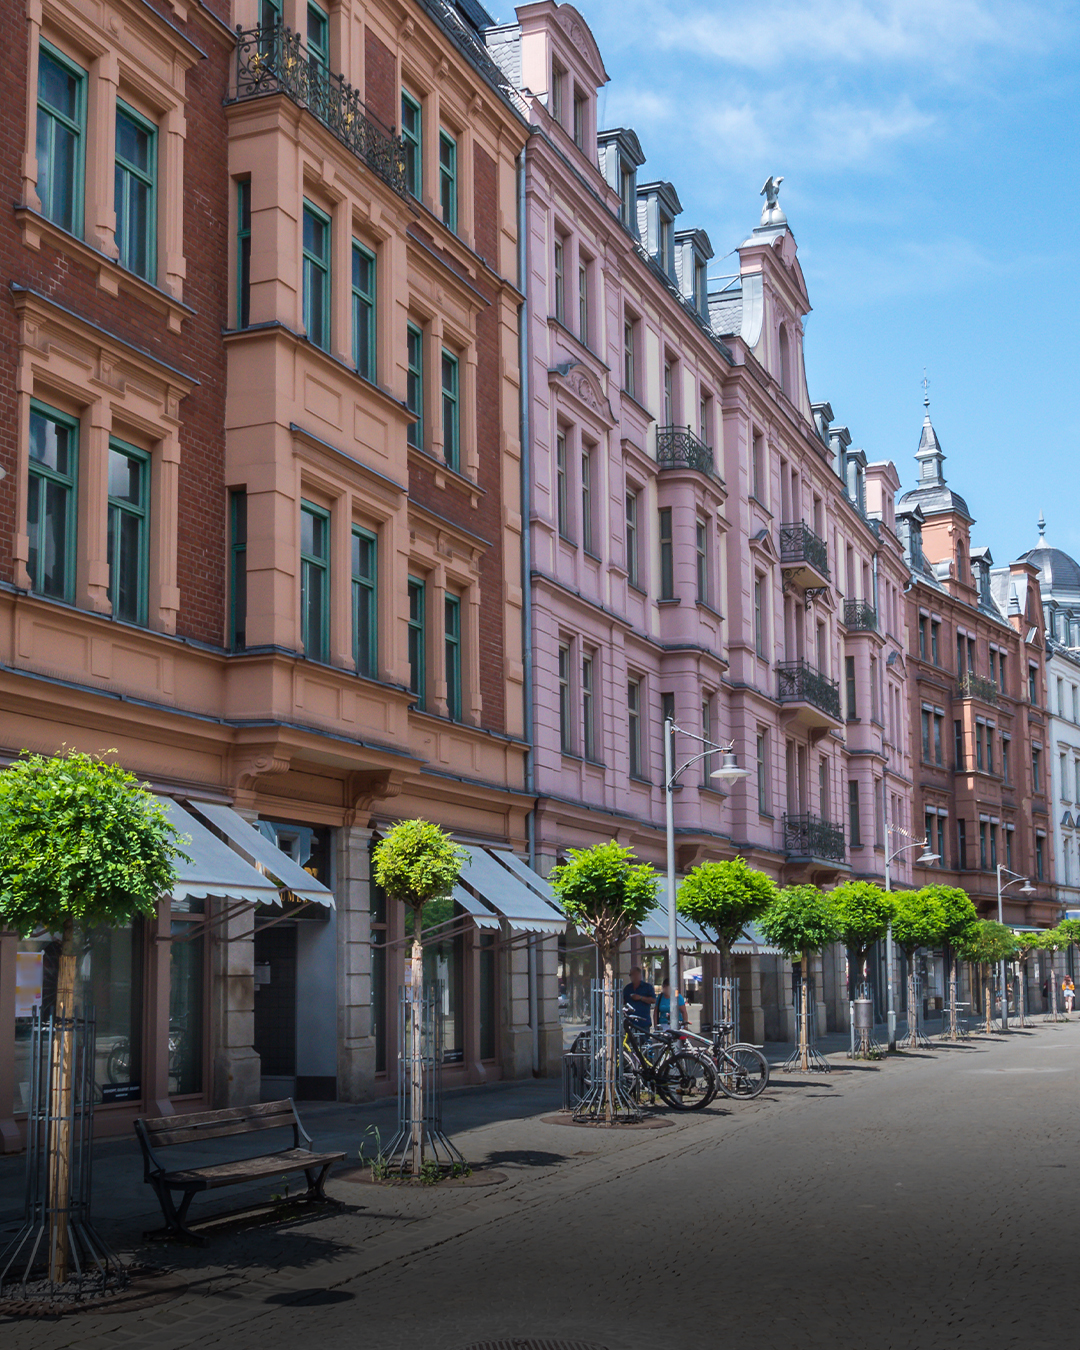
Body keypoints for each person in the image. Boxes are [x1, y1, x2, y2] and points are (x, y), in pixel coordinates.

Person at [622, 966, 655, 1032]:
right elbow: (623, 1002)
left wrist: (640, 997)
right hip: (630, 1022)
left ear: (639, 975)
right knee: (629, 1041)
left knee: (645, 1041)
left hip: (643, 1022)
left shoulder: (647, 987)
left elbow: (653, 1000)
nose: (632, 977)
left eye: (634, 974)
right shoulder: (628, 988)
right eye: (630, 975)